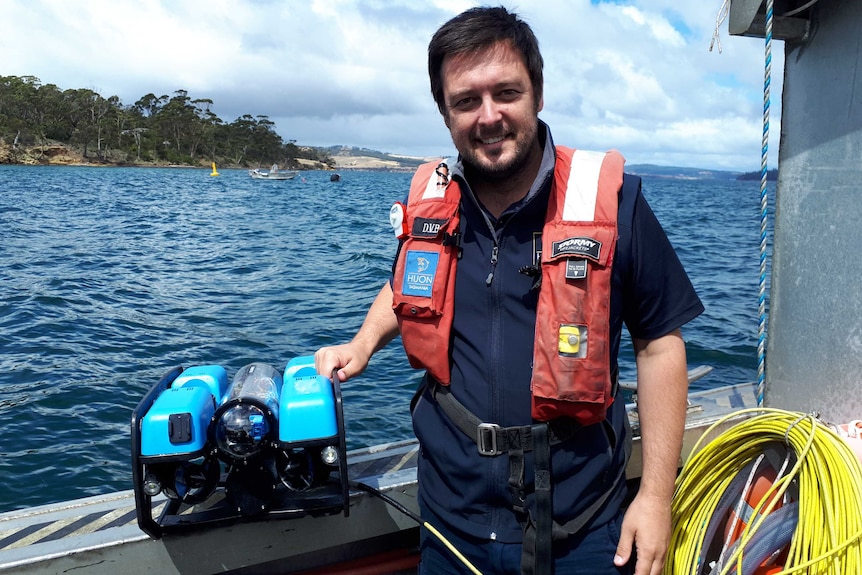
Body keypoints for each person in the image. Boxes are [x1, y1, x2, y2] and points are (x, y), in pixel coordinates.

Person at [315, 6, 703, 575]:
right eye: (466, 100)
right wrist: (362, 343)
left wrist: (654, 498)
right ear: (445, 113)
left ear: (538, 95)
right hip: (450, 525)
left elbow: (659, 345)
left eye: (506, 93)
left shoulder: (617, 204)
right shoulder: (434, 206)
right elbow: (407, 284)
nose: (488, 116)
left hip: (582, 525)